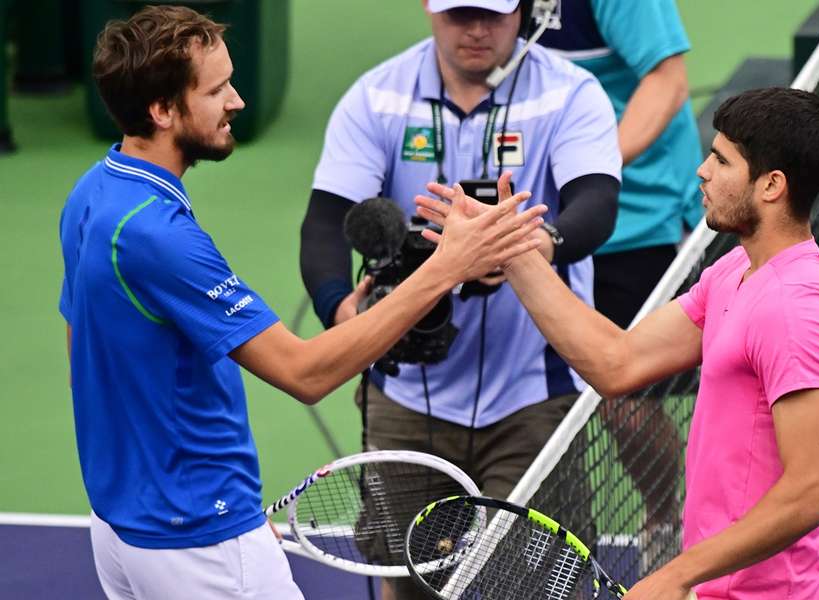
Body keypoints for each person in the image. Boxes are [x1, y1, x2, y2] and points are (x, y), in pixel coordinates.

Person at [58, 6, 545, 599]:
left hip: (124, 524)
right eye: (216, 91)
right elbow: (305, 371)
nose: (236, 101)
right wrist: (448, 268)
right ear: (162, 111)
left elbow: (82, 344)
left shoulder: (94, 192)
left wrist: (199, 498)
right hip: (195, 536)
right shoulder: (158, 235)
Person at [416, 87, 819, 599]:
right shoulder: (736, 269)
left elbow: (813, 490)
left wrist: (676, 574)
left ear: (771, 185)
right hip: (724, 586)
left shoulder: (796, 308)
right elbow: (617, 362)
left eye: (721, 159)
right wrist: (509, 248)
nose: (702, 171)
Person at [300, 1, 620, 596]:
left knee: (540, 587)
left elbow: (596, 204)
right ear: (430, 7)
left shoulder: (571, 94)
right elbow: (324, 224)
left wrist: (532, 248)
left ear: (524, 10)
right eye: (459, 13)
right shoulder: (377, 98)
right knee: (408, 580)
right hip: (404, 397)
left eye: (493, 14)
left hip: (534, 395)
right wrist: (345, 315)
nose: (476, 30)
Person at [539, 0, 705, 557]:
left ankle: (665, 521)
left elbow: (668, 80)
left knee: (622, 397)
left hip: (635, 218)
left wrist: (590, 167)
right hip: (530, 219)